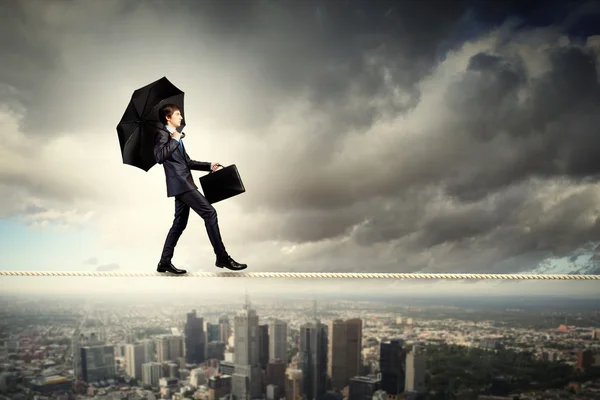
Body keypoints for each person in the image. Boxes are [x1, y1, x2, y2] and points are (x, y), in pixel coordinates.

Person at [153, 103, 247, 274]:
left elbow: (187, 162)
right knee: (210, 213)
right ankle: (222, 257)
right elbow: (159, 157)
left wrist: (209, 165)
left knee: (179, 224)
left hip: (182, 183)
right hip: (182, 184)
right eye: (178, 114)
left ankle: (164, 262)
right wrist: (174, 139)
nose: (181, 117)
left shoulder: (176, 137)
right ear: (168, 117)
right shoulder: (163, 134)